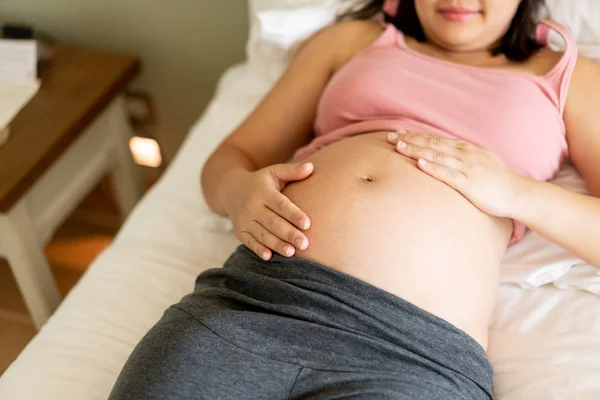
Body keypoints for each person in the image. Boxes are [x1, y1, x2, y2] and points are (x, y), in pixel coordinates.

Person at [109, 0, 600, 398]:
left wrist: (516, 193)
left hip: (411, 356)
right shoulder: (353, 40)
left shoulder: (568, 77)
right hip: (254, 303)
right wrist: (238, 192)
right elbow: (232, 157)